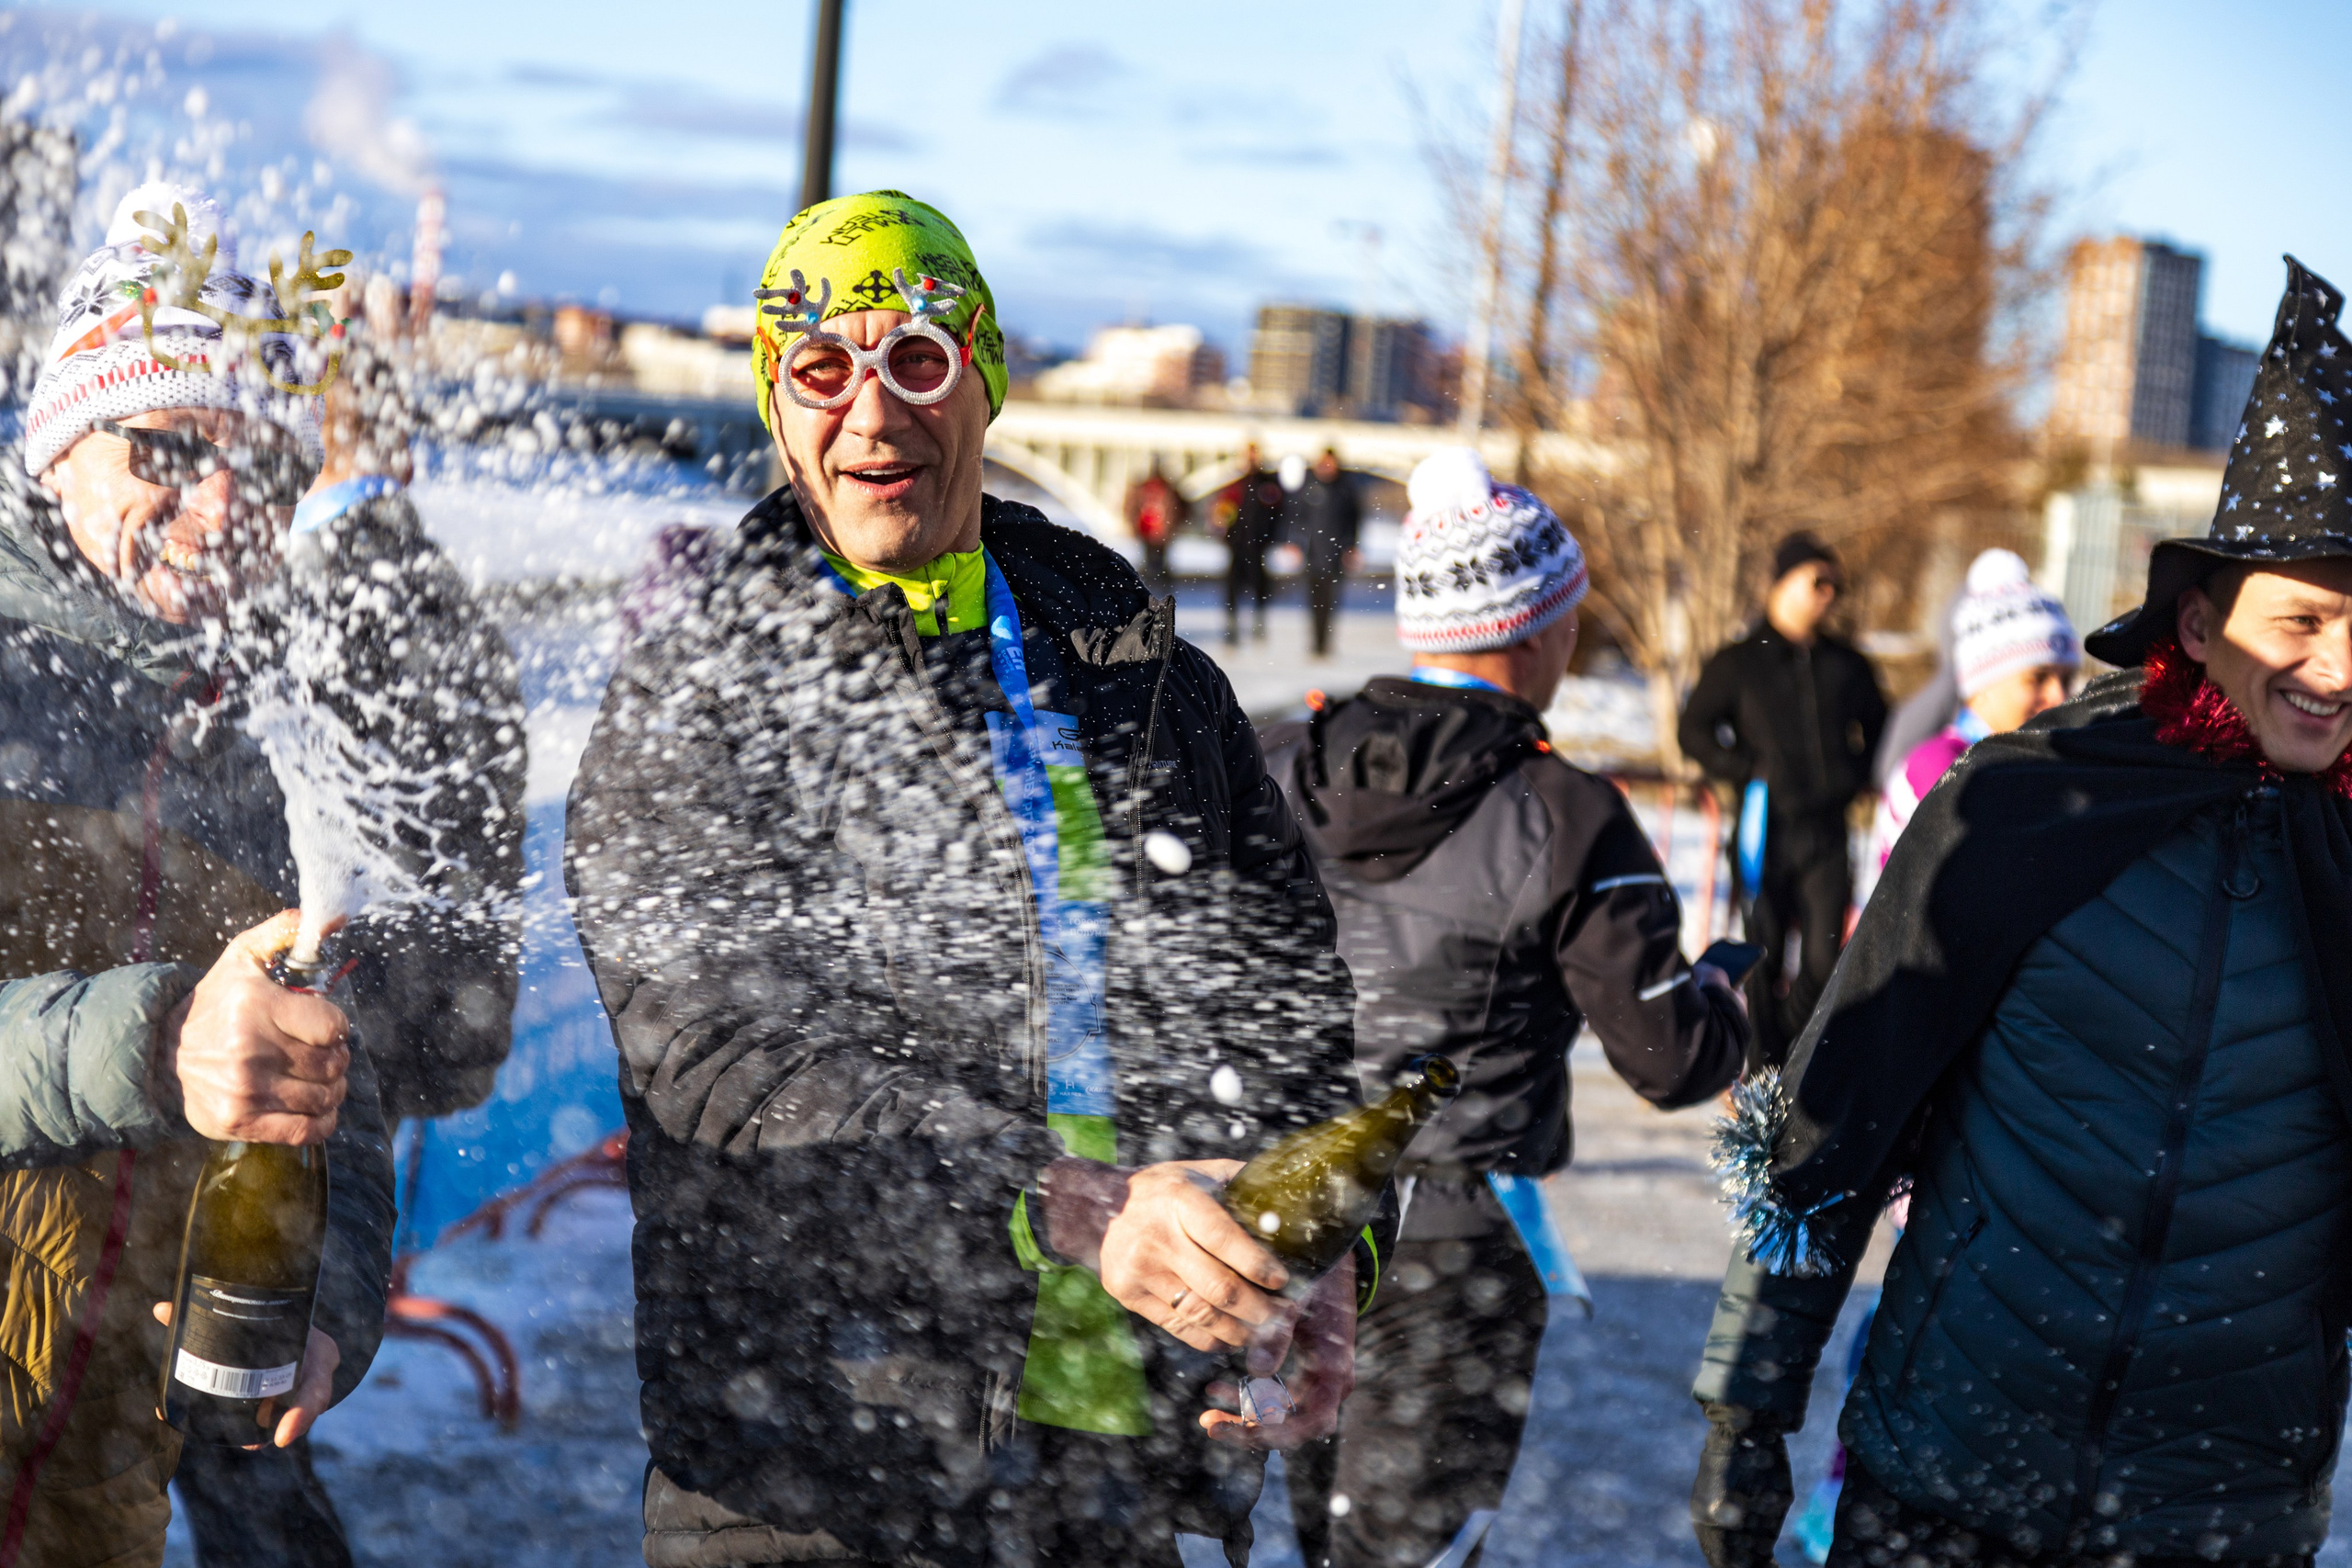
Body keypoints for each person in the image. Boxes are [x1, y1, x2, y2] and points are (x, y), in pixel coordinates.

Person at [564, 190, 1374, 1568]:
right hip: (817, 1476)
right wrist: (1071, 1198)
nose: (874, 416)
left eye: (920, 360)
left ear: (985, 379)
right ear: (777, 405)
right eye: (823, 369)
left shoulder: (1143, 674)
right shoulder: (701, 695)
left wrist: (1330, 1242)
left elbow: (1290, 1004)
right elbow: (719, 1059)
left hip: (1110, 1472)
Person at [1690, 255, 2352, 1568]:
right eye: (2307, 619)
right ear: (2203, 622)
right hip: (1953, 1464)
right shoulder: (2026, 801)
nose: (2339, 668)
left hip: (2218, 1507)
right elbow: (1839, 1110)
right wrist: (1746, 1407)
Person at [1, 184, 395, 1567]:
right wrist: (162, 1037)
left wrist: (332, 1299)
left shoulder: (270, 722)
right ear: (62, 446)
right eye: (167, 445)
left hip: (105, 1469)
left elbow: (351, 1071)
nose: (218, 505)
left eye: (262, 468)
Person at [1264, 447, 1748, 1568]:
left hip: (1283, 1215)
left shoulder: (1278, 757)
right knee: (1412, 1551)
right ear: (1536, 630)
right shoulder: (1568, 813)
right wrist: (1729, 992)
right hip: (1451, 1246)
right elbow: (1673, 1060)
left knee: (1320, 1532)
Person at [164, 344, 527, 1568]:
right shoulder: (430, 582)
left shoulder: (305, 592)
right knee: (256, 1428)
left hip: (338, 1004)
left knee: (238, 1392)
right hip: (436, 1002)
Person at [1678, 534, 1886, 1067]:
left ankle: (1794, 1056)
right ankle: (1762, 1068)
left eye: (1835, 585)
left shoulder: (1847, 664)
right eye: (1817, 582)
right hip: (1762, 828)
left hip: (1827, 831)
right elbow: (1694, 729)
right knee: (1762, 954)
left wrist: (1854, 775)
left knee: (1822, 958)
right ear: (1782, 583)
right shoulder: (1739, 661)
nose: (1828, 595)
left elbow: (1881, 727)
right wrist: (1749, 772)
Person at [1868, 548, 2079, 869]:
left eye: (2067, 679)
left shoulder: (2017, 762)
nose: (2058, 696)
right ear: (1983, 684)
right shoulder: (1938, 766)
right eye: (2037, 678)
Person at [1292, 447, 1361, 661]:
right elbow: (1298, 517)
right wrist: (1294, 543)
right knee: (1314, 600)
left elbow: (1353, 521)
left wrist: (1351, 546)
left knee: (1330, 602)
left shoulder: (1345, 490)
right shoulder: (1310, 487)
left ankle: (1324, 643)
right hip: (1312, 554)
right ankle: (1315, 641)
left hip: (1335, 555)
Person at [1223, 442, 1283, 645]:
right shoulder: (1234, 482)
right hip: (1237, 544)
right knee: (1232, 587)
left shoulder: (1267, 482)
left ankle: (1258, 625)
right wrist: (1226, 531)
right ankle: (1232, 629)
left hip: (1258, 545)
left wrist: (1270, 536)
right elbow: (1222, 510)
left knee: (1260, 586)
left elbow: (1277, 512)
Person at [1124, 457, 1187, 592]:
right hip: (1151, 530)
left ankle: (1157, 588)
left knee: (1156, 561)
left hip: (1154, 530)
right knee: (1153, 561)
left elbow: (1130, 507)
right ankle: (1156, 588)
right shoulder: (1167, 488)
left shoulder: (1146, 488)